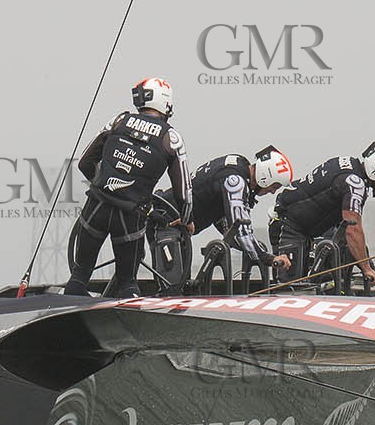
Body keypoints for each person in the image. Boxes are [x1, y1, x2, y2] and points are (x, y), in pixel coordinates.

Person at [66, 77, 191, 298]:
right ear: (166, 105)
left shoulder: (119, 120)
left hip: (97, 206)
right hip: (131, 216)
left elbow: (85, 161)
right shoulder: (172, 139)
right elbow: (184, 193)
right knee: (127, 283)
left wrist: (102, 183)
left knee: (79, 276)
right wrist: (187, 218)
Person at [268, 144, 375, 287]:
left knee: (305, 282)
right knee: (291, 288)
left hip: (296, 225)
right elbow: (353, 230)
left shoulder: (349, 166)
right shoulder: (355, 184)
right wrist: (367, 269)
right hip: (288, 226)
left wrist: (368, 266)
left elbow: (346, 230)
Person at [191, 146, 294, 274]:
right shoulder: (237, 182)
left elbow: (229, 229)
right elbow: (242, 232)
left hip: (177, 225)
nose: (273, 192)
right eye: (275, 186)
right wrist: (269, 258)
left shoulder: (239, 165)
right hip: (171, 224)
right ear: (265, 176)